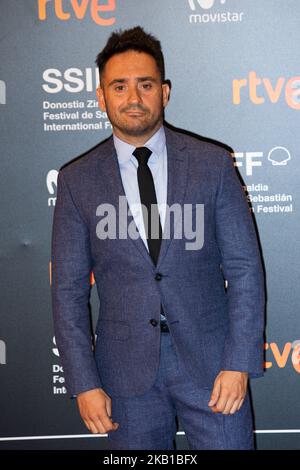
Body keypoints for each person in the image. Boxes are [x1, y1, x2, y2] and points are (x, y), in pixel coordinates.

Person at [51, 26, 265, 450]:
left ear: (164, 92)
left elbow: (244, 270)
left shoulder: (211, 165)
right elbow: (67, 293)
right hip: (124, 378)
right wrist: (84, 382)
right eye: (120, 86)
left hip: (213, 367)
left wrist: (239, 362)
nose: (134, 98)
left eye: (145, 85)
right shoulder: (77, 181)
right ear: (101, 97)